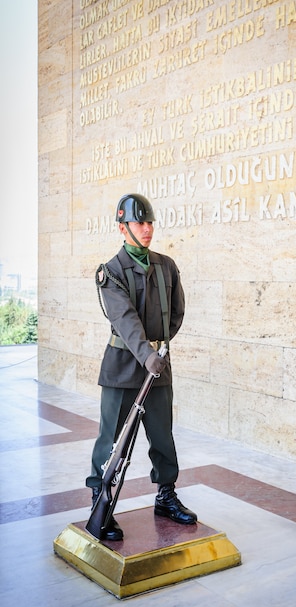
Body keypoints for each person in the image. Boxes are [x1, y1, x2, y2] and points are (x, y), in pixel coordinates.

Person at [86, 193, 197, 541]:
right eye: (139, 223)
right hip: (122, 368)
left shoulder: (166, 266)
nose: (147, 229)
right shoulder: (111, 273)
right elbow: (125, 321)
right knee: (111, 440)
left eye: (149, 223)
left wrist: (158, 350)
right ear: (123, 228)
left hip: (157, 368)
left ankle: (166, 495)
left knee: (162, 436)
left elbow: (176, 313)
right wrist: (147, 353)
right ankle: (100, 499)